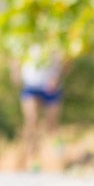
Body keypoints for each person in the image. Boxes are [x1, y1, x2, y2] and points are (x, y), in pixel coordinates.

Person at [12, 43, 67, 171]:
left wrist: (57, 78)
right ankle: (33, 160)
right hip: (30, 87)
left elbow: (67, 60)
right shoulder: (26, 37)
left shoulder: (55, 38)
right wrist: (15, 72)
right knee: (31, 122)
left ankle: (59, 151)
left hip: (51, 88)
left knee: (51, 125)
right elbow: (15, 57)